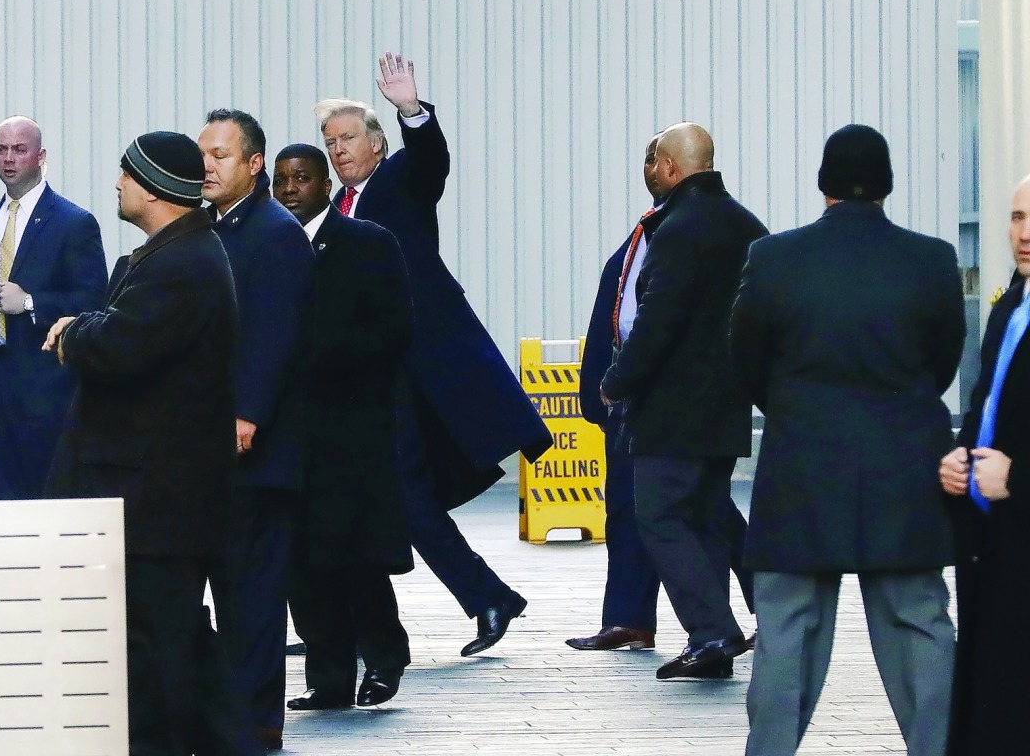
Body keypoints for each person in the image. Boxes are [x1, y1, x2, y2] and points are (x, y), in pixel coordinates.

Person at [733, 124, 963, 755]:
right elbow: (942, 364)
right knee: (919, 621)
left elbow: (746, 360)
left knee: (786, 629)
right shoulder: (933, 259)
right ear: (887, 183)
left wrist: (795, 410)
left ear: (823, 183)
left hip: (801, 465)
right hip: (905, 465)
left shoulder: (773, 258)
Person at [316, 52, 552, 657]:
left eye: (348, 138)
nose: (338, 150)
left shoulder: (398, 181)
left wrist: (411, 110)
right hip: (369, 377)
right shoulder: (335, 209)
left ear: (376, 143)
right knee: (398, 496)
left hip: (416, 368)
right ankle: (480, 598)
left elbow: (431, 162)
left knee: (399, 492)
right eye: (330, 141)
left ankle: (465, 601)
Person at [42, 131, 248, 756]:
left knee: (156, 646)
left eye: (127, 174)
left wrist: (74, 333)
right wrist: (90, 327)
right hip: (158, 494)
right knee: (176, 637)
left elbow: (121, 345)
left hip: (159, 496)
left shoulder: (181, 265)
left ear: (155, 189)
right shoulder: (177, 255)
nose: (117, 184)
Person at [567, 134, 755, 653]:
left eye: (652, 159)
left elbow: (655, 321)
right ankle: (696, 631)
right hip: (723, 405)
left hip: (667, 405)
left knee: (660, 516)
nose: (647, 168)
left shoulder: (674, 230)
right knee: (705, 514)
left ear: (670, 167)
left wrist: (615, 382)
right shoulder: (746, 227)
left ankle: (713, 632)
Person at [272, 144, 415, 711]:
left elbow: (395, 330)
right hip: (288, 432)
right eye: (282, 179)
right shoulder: (269, 246)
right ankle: (328, 677)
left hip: (351, 430)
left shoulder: (368, 242)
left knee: (355, 556)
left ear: (326, 185)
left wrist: (322, 358)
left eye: (302, 178)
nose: (290, 189)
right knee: (302, 561)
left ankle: (384, 658)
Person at [199, 109, 315, 750]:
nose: (207, 166)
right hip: (218, 447)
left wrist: (248, 414)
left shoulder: (272, 232)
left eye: (220, 155)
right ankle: (234, 712)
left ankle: (257, 720)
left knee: (254, 590)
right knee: (232, 585)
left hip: (257, 448)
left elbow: (274, 334)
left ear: (253, 164)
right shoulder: (215, 226)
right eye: (202, 154)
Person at [0, 115, 107, 500]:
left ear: (40, 156)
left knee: (48, 500)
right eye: (0, 149)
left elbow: (93, 301)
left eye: (19, 149)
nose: (8, 158)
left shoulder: (73, 223)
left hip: (47, 384)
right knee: (7, 500)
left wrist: (31, 303)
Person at [940, 174, 1030, 756]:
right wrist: (960, 455)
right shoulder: (1009, 307)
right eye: (1018, 217)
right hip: (991, 545)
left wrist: (1015, 478)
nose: (1025, 233)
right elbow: (985, 404)